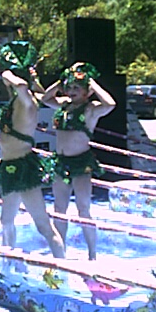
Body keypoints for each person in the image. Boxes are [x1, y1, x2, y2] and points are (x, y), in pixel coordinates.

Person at [0, 41, 65, 259]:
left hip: (22, 167)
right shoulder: (18, 100)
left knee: (43, 224)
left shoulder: (27, 101)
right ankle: (7, 262)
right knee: (6, 220)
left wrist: (7, 73)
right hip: (9, 166)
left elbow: (22, 86)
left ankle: (64, 267)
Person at [42, 62, 116, 260]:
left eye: (77, 87)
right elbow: (45, 98)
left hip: (81, 164)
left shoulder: (91, 109)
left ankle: (92, 254)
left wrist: (92, 83)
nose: (72, 91)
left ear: (87, 92)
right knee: (59, 209)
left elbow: (110, 104)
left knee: (83, 209)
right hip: (60, 163)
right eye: (70, 87)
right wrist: (60, 83)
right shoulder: (63, 105)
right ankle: (60, 252)